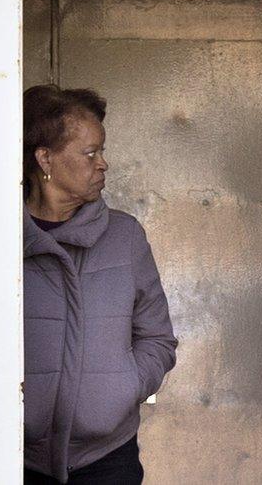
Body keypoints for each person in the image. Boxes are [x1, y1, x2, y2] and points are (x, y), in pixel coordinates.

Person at [22, 85, 177, 484]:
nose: (103, 164)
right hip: (16, 459)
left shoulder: (124, 236)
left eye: (102, 151)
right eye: (91, 154)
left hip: (109, 460)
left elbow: (158, 339)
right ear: (45, 159)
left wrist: (123, 388)